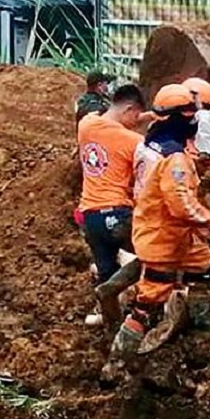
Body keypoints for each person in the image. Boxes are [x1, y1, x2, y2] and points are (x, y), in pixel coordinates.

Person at [101, 85, 210, 382]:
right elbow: (181, 204)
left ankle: (202, 339)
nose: (194, 119)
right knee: (148, 303)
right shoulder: (174, 158)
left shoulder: (152, 144)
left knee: (202, 267)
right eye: (190, 114)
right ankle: (114, 367)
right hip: (163, 237)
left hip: (168, 231)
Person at [77, 84, 147, 327]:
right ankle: (121, 292)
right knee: (156, 256)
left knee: (106, 270)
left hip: (89, 217)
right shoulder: (134, 141)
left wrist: (144, 115)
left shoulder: (85, 126)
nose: (137, 122)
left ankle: (111, 326)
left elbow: (102, 116)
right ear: (130, 109)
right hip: (118, 214)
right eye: (136, 117)